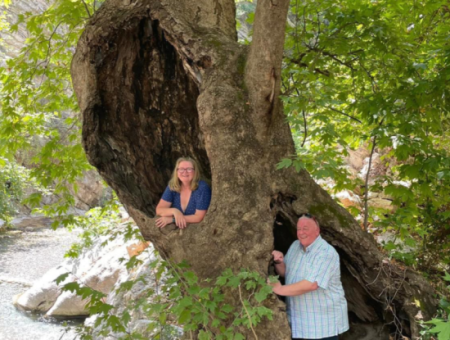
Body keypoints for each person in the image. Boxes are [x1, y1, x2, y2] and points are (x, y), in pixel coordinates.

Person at [271, 214, 349, 340]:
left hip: (321, 327)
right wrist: (279, 262)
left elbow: (312, 284)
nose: (301, 232)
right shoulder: (295, 246)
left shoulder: (326, 252)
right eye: (299, 229)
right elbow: (287, 273)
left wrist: (280, 289)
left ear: (317, 231)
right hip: (298, 324)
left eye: (305, 228)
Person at [155, 157, 211, 229]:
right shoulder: (173, 186)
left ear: (195, 171)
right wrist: (175, 211)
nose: (185, 172)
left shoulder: (202, 188)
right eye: (181, 169)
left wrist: (173, 219)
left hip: (199, 231)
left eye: (189, 169)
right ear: (177, 172)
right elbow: (159, 210)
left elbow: (199, 217)